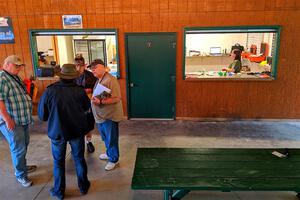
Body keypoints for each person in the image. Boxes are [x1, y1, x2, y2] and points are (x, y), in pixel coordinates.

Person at [38, 64, 91, 199]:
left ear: (61, 76)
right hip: (77, 131)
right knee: (79, 159)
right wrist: (88, 128)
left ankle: (59, 192)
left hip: (57, 132)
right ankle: (83, 187)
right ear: (74, 77)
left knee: (58, 162)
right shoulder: (80, 91)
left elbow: (42, 115)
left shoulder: (50, 91)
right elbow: (88, 111)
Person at [0, 55, 37, 187]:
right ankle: (20, 174)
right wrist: (7, 119)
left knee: (24, 144)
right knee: (18, 148)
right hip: (12, 121)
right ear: (7, 64)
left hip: (21, 119)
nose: (19, 68)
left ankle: (22, 166)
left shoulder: (14, 76)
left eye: (20, 66)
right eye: (17, 66)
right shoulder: (2, 78)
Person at [90, 59, 123, 171]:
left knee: (111, 138)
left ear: (103, 67)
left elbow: (117, 98)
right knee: (105, 137)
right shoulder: (100, 79)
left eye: (95, 67)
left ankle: (114, 159)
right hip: (101, 116)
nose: (92, 69)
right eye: (91, 68)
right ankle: (109, 153)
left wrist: (100, 102)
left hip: (109, 116)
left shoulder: (110, 80)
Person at [74, 54, 97, 153]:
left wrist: (91, 89)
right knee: (76, 124)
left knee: (88, 123)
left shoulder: (90, 75)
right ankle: (76, 143)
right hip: (75, 104)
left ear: (84, 65)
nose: (79, 67)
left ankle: (88, 142)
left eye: (81, 65)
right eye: (77, 65)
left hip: (88, 102)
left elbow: (96, 87)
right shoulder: (71, 77)